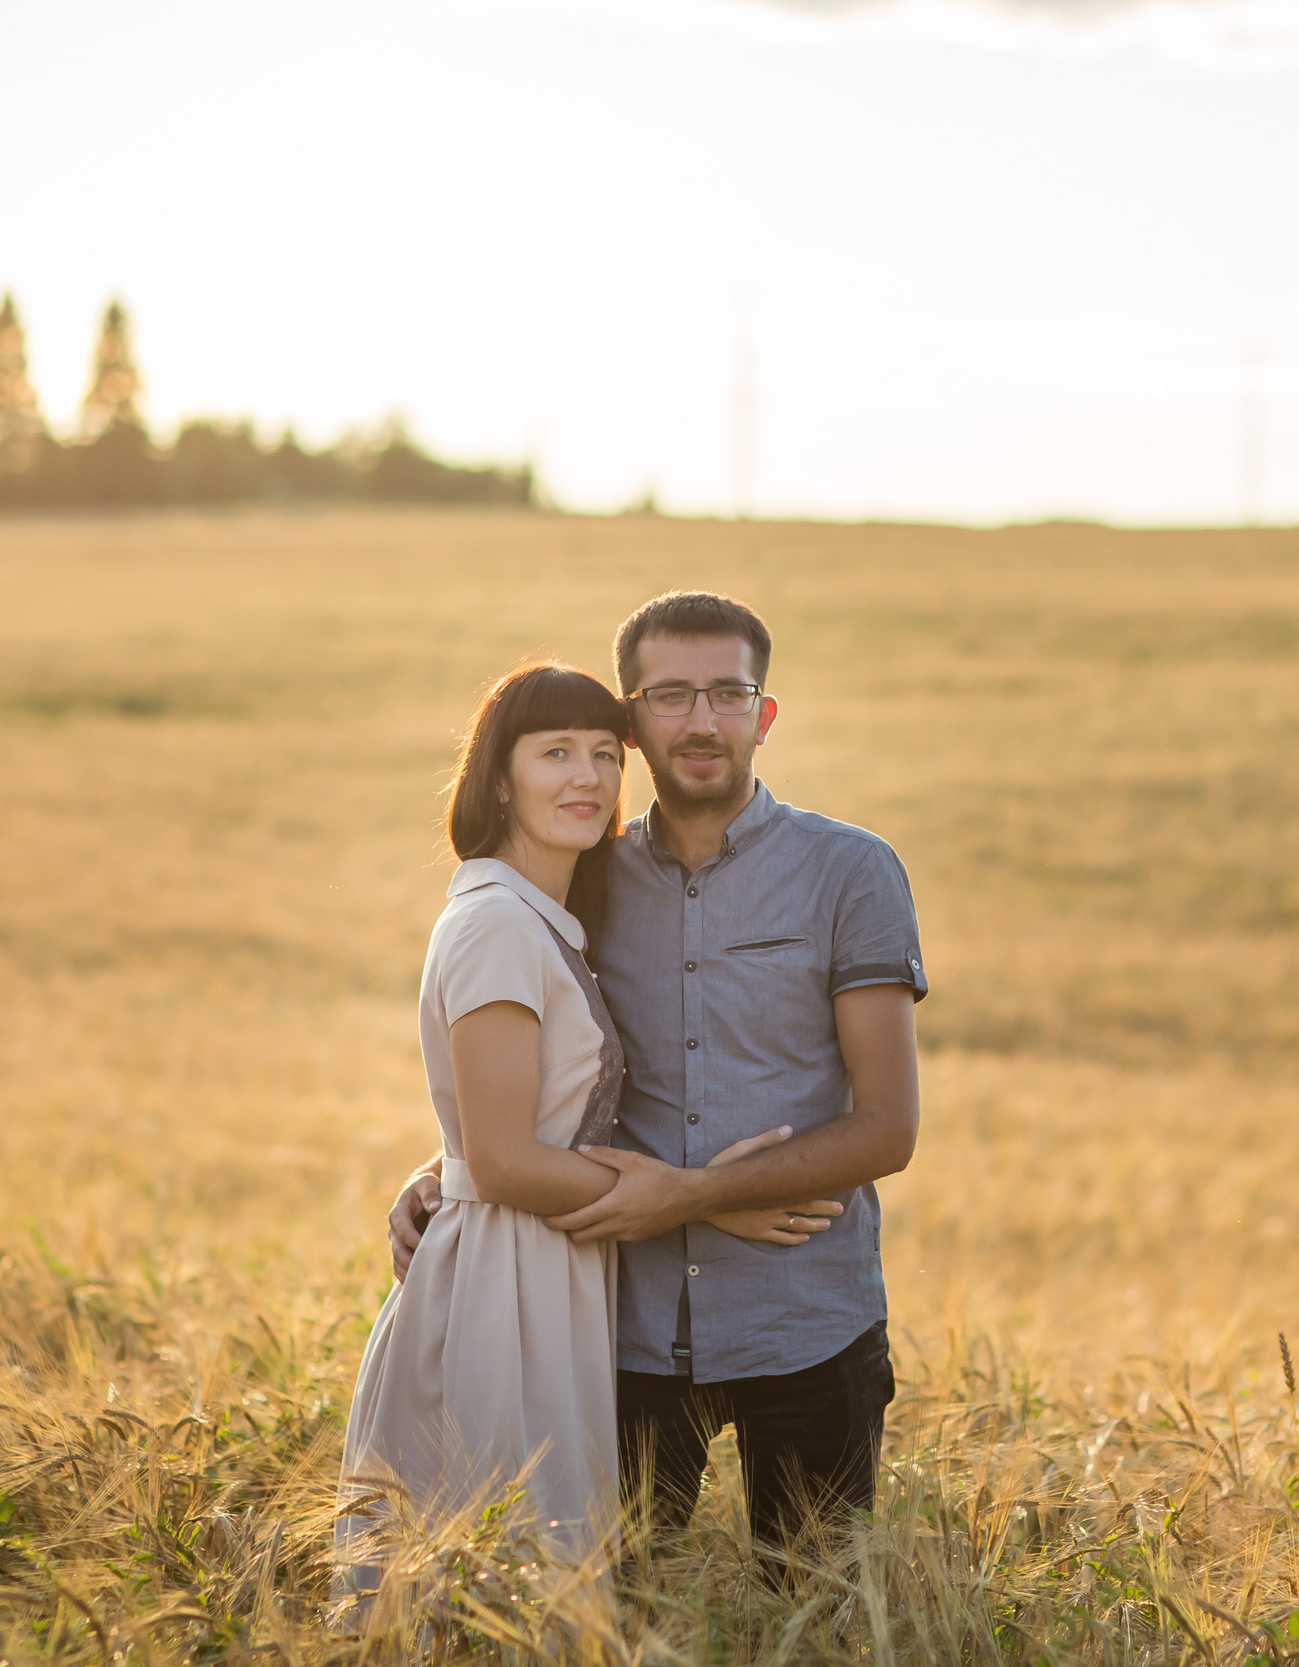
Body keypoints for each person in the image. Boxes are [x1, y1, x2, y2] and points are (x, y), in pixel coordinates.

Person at [389, 591, 926, 1565]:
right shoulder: (585, 873)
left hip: (804, 1318)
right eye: (671, 695)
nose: (702, 720)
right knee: (614, 1617)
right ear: (632, 724)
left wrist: (696, 1194)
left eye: (728, 693)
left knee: (816, 1614)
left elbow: (887, 1129)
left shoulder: (849, 873)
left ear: (763, 714)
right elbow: (540, 1066)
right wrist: (447, 1167)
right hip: (618, 1334)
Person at [336, 660, 830, 1587]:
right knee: (502, 1575)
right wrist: (705, 1203)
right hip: (502, 1290)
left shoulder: (544, 917)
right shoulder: (498, 925)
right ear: (497, 778)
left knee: (538, 1578)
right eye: (554, 751)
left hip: (549, 1272)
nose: (588, 778)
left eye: (606, 753)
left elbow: (504, 1129)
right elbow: (506, 1158)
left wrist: (445, 1167)